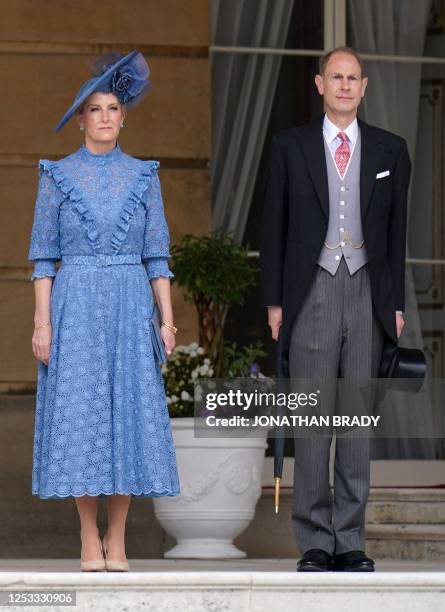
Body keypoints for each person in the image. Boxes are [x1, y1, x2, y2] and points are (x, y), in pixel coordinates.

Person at [28, 50, 180, 572]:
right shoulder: (55, 176)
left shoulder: (144, 176)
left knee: (128, 414)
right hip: (74, 306)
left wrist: (167, 319)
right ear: (81, 118)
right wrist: (41, 323)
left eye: (113, 108)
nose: (106, 117)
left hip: (129, 302)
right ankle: (87, 536)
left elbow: (157, 255)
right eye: (95, 109)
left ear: (123, 116)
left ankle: (118, 538)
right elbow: (44, 258)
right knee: (81, 416)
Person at [260, 47, 411, 572]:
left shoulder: (392, 150)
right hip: (312, 293)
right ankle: (315, 541)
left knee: (356, 423)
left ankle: (349, 540)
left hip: (369, 291)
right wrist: (275, 301)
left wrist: (395, 306)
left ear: (364, 87)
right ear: (319, 84)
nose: (344, 85)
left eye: (353, 78)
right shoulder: (289, 146)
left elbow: (396, 238)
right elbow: (273, 228)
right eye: (335, 77)